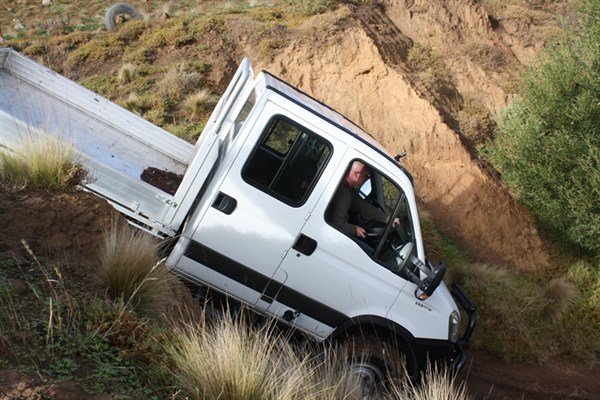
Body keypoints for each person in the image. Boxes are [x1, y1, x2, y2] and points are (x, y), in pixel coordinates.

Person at [327, 160, 398, 253]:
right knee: (370, 252)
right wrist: (355, 229)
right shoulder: (344, 193)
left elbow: (363, 206)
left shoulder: (348, 189)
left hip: (335, 232)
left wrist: (388, 219)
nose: (365, 180)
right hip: (332, 234)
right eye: (365, 176)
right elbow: (336, 223)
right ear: (356, 174)